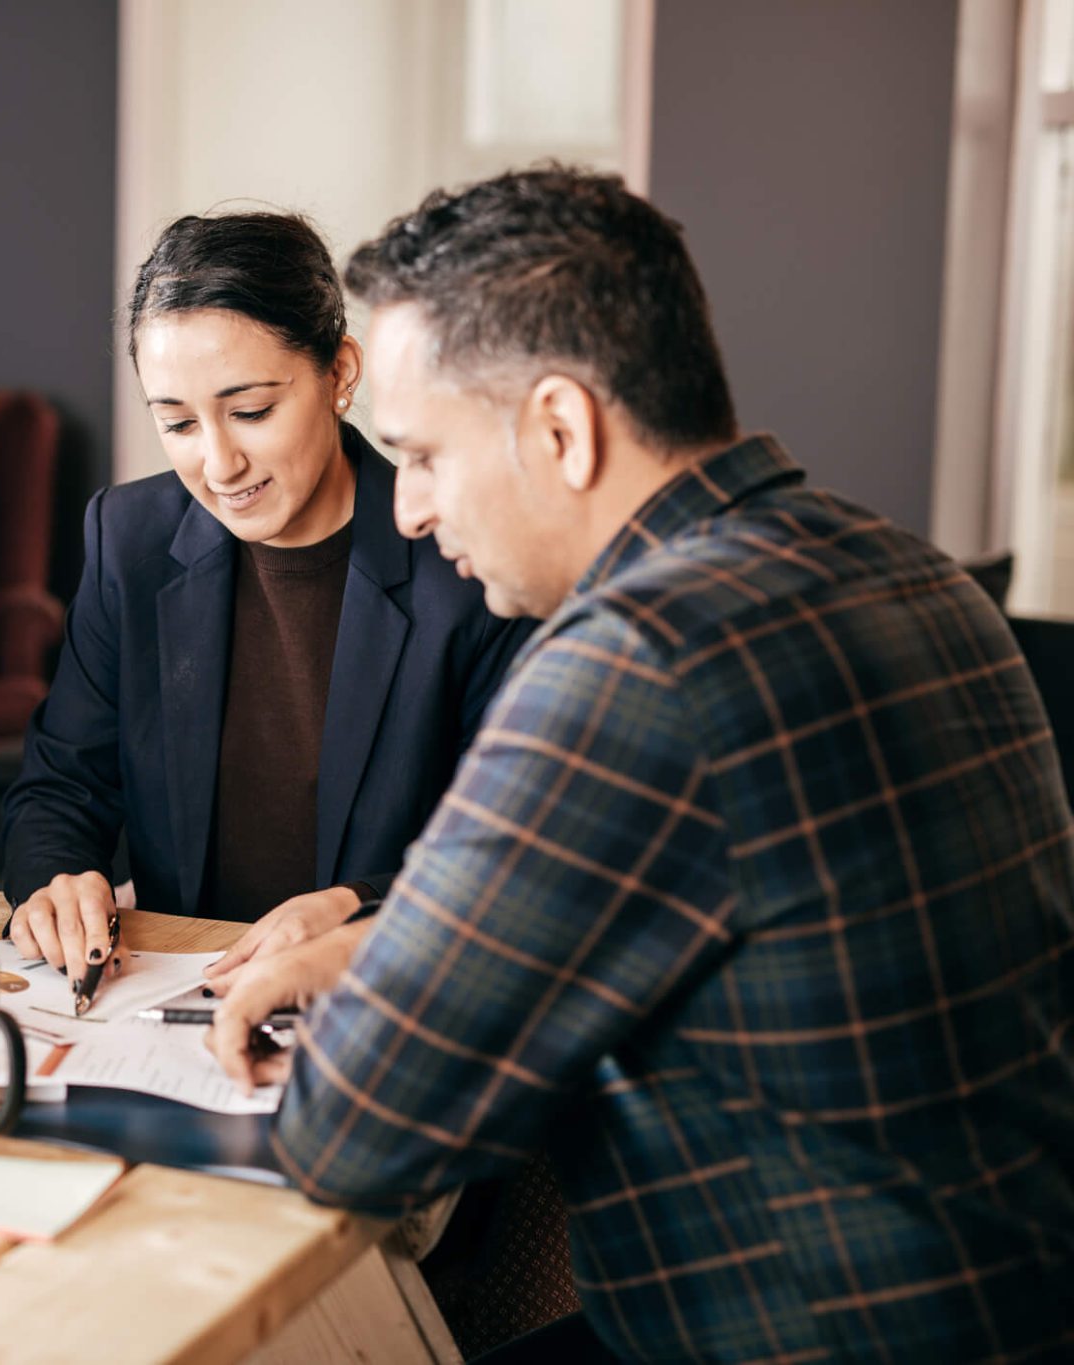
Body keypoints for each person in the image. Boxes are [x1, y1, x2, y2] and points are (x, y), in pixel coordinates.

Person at [212, 167, 1074, 1362]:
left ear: (560, 428)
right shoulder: (910, 574)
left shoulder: (632, 660)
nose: (405, 509)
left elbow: (351, 1136)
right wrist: (385, 943)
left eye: (419, 454)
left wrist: (385, 973)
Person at [0, 212, 534, 987]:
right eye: (177, 422)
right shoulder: (131, 536)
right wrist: (57, 878)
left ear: (340, 375)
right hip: (179, 995)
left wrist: (359, 906)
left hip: (394, 991)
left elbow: (517, 844)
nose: (218, 464)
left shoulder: (467, 560)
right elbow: (62, 784)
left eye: (251, 411)